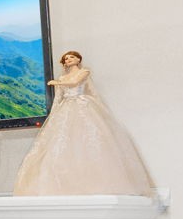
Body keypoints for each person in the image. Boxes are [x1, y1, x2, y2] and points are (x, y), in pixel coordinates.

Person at [14, 50, 153, 196]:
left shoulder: (84, 72)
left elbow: (75, 82)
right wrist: (53, 115)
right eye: (66, 59)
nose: (68, 60)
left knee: (88, 139)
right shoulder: (63, 77)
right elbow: (58, 98)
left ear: (78, 59)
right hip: (66, 109)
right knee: (62, 143)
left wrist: (57, 82)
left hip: (82, 107)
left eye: (71, 57)